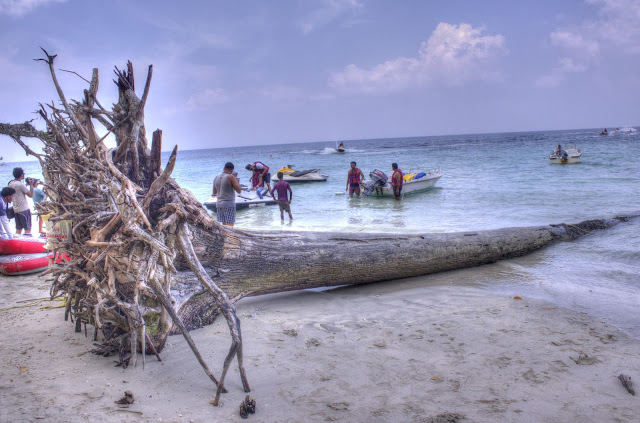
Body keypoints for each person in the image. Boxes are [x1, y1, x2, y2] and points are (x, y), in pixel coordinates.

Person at [213, 162, 242, 227]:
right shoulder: (231, 176)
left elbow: (214, 192)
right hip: (228, 203)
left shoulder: (216, 177)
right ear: (232, 170)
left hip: (219, 203)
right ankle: (231, 237)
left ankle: (225, 237)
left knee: (224, 225)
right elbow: (239, 191)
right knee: (230, 225)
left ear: (224, 168)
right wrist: (237, 183)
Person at [8, 167, 34, 236]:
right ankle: (28, 244)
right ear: (21, 175)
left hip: (16, 209)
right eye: (24, 173)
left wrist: (26, 185)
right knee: (27, 229)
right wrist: (31, 185)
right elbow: (30, 195)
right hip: (23, 209)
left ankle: (16, 244)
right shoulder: (20, 184)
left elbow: (18, 189)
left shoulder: (10, 183)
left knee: (18, 229)